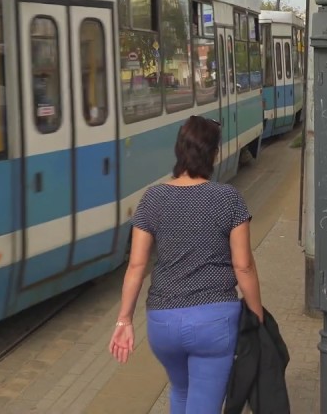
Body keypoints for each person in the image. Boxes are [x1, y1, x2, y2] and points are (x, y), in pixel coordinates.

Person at [109, 116, 264, 413]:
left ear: (179, 151)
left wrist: (124, 320)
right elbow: (243, 266)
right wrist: (256, 316)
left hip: (163, 325)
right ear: (214, 153)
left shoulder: (153, 197)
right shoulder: (228, 198)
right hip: (214, 323)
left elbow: (137, 267)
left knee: (181, 391)